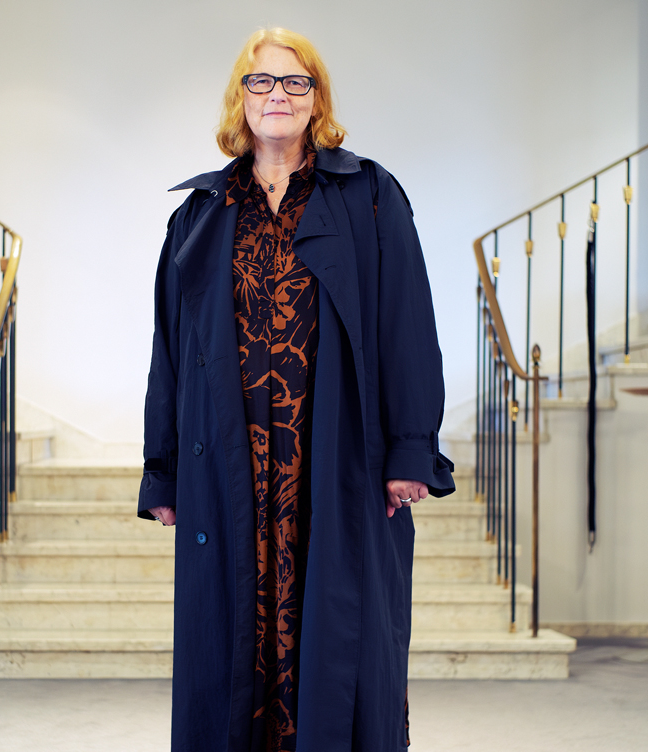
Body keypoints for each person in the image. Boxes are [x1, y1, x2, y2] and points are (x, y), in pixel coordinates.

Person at [138, 27, 455, 752]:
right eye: (261, 81)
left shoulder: (368, 196)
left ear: (317, 100)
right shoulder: (199, 215)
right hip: (230, 465)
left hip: (335, 459)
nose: (276, 94)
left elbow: (408, 324)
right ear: (240, 99)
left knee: (343, 643)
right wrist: (164, 471)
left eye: (294, 82)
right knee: (229, 648)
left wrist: (410, 450)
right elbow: (171, 350)